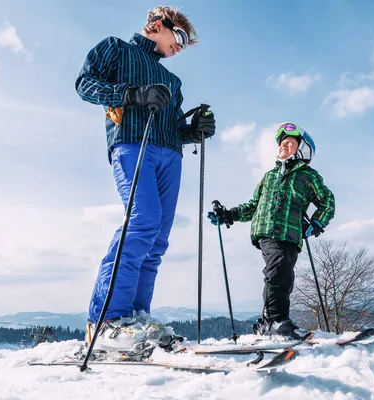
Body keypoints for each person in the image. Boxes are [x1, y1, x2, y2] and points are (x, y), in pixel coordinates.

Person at [75, 6, 216, 351]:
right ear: (157, 25)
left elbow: (174, 128)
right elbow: (84, 84)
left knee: (157, 239)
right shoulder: (117, 49)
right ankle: (108, 320)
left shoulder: (173, 81)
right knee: (142, 221)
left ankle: (136, 317)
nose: (181, 46)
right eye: (180, 37)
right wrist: (132, 95)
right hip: (132, 143)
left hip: (170, 155)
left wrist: (194, 131)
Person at [209, 122, 335, 339]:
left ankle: (269, 321)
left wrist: (316, 223)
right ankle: (276, 321)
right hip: (267, 231)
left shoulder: (307, 175)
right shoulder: (269, 176)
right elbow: (253, 205)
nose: (283, 146)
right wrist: (228, 214)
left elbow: (327, 201)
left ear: (303, 150)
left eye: (290, 143)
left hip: (291, 233)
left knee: (282, 276)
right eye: (282, 143)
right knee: (277, 271)